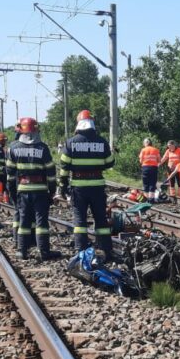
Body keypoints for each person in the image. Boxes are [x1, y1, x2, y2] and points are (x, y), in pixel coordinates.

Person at [59, 109, 115, 257]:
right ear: (92, 124)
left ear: (79, 124)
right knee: (101, 219)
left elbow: (64, 167)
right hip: (97, 186)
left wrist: (62, 186)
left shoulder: (70, 143)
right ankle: (105, 249)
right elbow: (109, 163)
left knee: (80, 220)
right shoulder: (102, 142)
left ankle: (80, 249)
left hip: (79, 187)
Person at [6, 116, 59, 260]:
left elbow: (10, 175)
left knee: (23, 221)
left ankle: (22, 251)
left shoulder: (14, 147)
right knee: (41, 222)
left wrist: (11, 192)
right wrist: (52, 191)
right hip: (40, 190)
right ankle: (44, 252)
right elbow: (51, 173)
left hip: (22, 190)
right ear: (36, 130)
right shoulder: (43, 148)